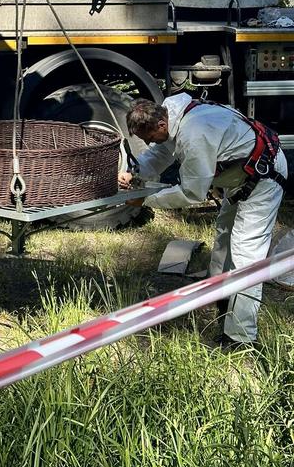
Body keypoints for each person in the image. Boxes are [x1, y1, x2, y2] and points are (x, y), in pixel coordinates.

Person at [120, 94, 287, 348]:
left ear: (161, 125)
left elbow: (191, 193)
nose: (147, 143)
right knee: (223, 234)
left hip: (265, 178)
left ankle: (241, 338)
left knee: (246, 255)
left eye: (148, 137)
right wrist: (135, 173)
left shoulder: (196, 133)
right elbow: (161, 154)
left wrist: (145, 200)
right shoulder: (173, 114)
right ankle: (220, 295)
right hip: (242, 177)